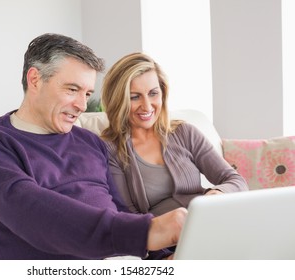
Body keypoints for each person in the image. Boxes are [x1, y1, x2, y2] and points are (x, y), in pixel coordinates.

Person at [0, 33, 187, 260]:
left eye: (87, 94)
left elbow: (119, 210)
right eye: (72, 89)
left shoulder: (89, 141)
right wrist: (147, 232)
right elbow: (32, 213)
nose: (82, 105)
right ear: (35, 79)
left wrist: (162, 258)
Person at [101, 53, 248, 217]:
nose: (147, 106)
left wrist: (216, 194)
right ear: (117, 100)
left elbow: (235, 181)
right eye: (135, 97)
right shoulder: (110, 150)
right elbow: (127, 214)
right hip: (166, 238)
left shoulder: (184, 133)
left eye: (153, 93)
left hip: (209, 221)